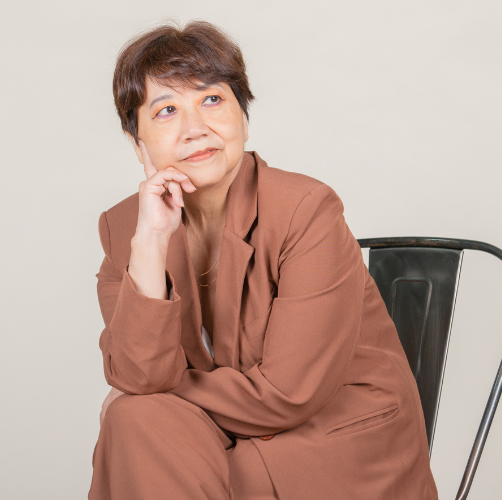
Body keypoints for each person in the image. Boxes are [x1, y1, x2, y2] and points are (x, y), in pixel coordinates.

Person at [90, 21, 438, 500]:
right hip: (226, 433)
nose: (196, 129)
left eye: (212, 100)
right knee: (137, 420)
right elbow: (138, 376)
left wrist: (156, 392)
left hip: (331, 445)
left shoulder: (306, 208)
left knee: (146, 445)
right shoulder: (125, 226)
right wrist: (150, 240)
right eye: (167, 110)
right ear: (138, 143)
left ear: (242, 116)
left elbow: (288, 395)